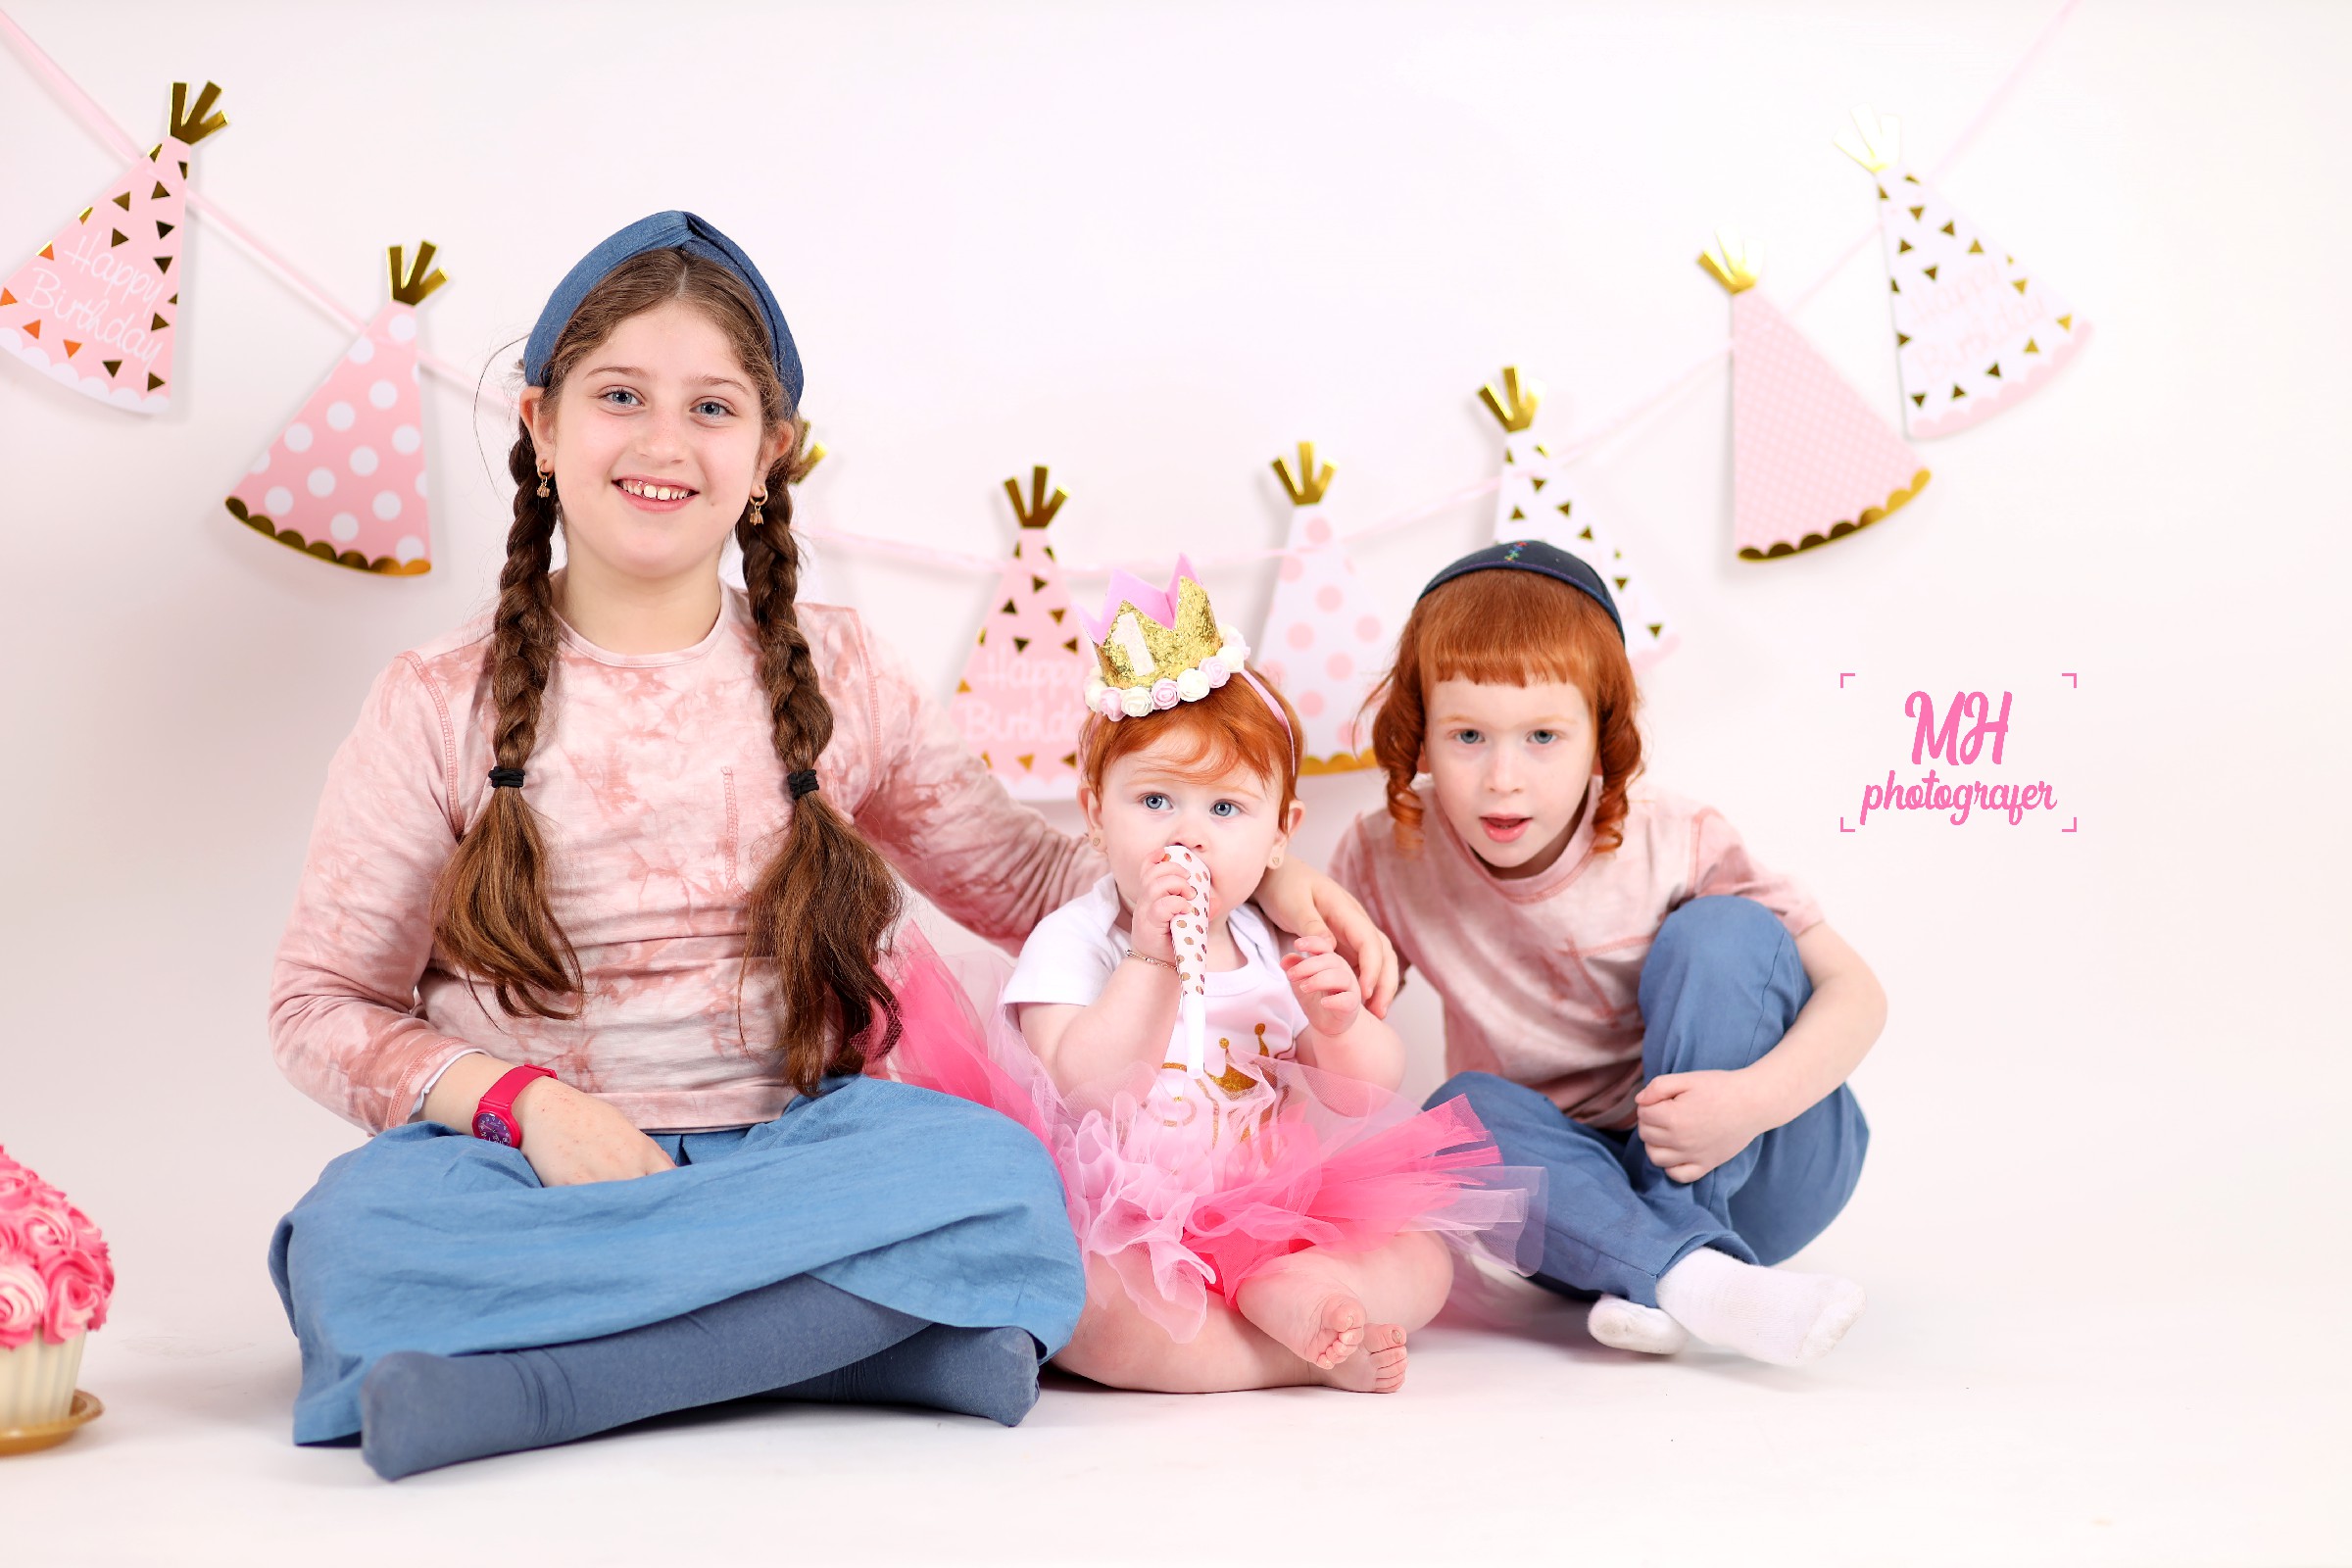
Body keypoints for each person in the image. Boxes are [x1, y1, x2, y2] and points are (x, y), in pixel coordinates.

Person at [265, 213, 1396, 1479]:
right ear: (539, 424)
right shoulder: (435, 701)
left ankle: (531, 1385)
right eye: (620, 396)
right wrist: (530, 1109)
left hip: (809, 1155)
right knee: (350, 1241)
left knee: (999, 1185)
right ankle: (867, 1348)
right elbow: (320, 1005)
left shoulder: (845, 671)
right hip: (533, 1171)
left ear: (771, 453)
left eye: (711, 408)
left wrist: (1261, 875)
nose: (662, 443)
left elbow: (1031, 884)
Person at [893, 561, 1536, 1395]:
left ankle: (1299, 1291)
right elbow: (1082, 1086)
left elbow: (1366, 1093)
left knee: (1425, 1259)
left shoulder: (1270, 942)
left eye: (1225, 810)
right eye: (1155, 802)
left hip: (1273, 1207)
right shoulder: (1076, 941)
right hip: (1123, 1221)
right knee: (1090, 1309)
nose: (1187, 835)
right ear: (1095, 814)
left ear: (1280, 835)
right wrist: (1152, 959)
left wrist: (1340, 1026)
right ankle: (1294, 1351)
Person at [1329, 540, 1882, 1366]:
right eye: (1468, 735)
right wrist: (1283, 891)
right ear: (1421, 734)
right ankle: (1688, 1277)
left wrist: (1750, 1103)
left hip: (1759, 1159)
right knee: (1455, 1117)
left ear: (1600, 737)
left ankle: (1676, 1254)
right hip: (1574, 1207)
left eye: (1543, 736)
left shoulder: (1675, 836)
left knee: (1725, 933)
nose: (1503, 778)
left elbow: (1858, 993)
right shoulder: (1387, 854)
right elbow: (1328, 1032)